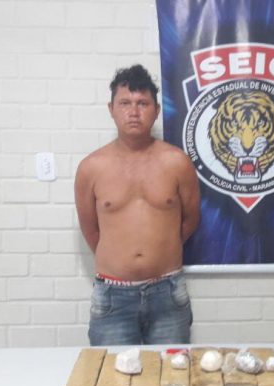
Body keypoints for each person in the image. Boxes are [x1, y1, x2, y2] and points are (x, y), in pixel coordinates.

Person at [74, 64, 201, 345]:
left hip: (168, 292)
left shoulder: (177, 162)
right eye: (125, 103)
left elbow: (191, 219)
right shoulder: (91, 168)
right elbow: (91, 230)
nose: (133, 111)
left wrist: (160, 249)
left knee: (172, 372)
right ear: (111, 109)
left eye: (143, 103)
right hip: (113, 297)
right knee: (112, 373)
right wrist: (121, 259)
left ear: (156, 110)